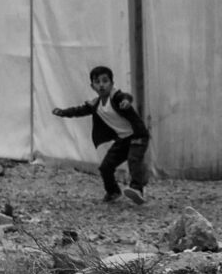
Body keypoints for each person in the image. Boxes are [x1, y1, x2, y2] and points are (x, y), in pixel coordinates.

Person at [51, 65, 151, 204]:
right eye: (97, 82)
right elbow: (79, 111)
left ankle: (137, 189)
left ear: (112, 83)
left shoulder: (116, 97)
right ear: (92, 86)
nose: (101, 85)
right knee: (106, 167)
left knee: (133, 159)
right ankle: (113, 192)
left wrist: (126, 101)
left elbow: (126, 96)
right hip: (123, 140)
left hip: (138, 135)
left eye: (105, 81)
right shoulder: (95, 104)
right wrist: (63, 112)